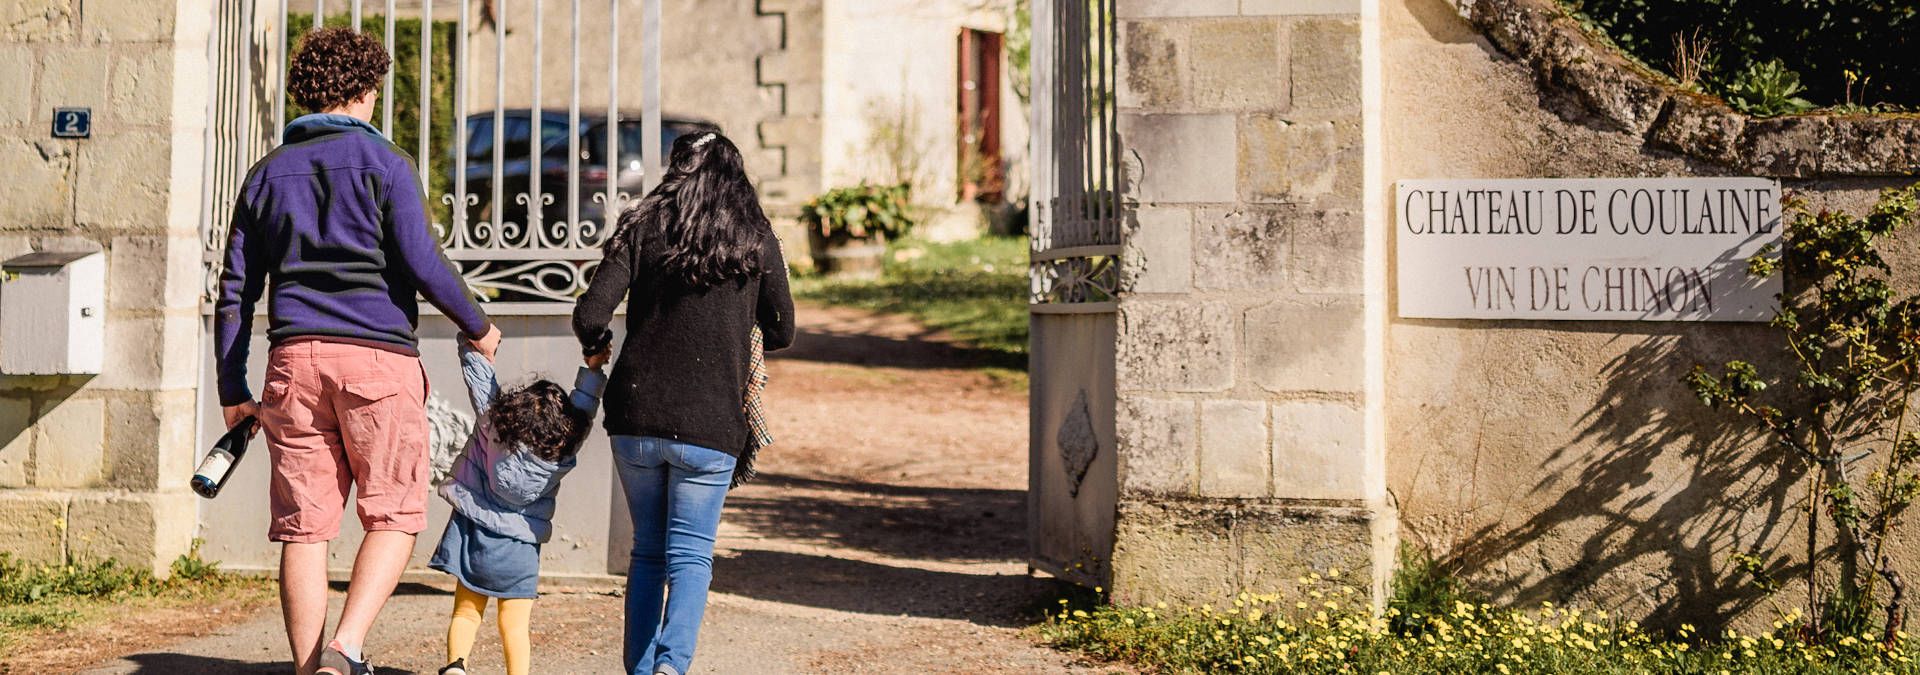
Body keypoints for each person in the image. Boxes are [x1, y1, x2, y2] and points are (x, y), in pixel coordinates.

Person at [212, 27, 501, 675]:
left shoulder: (264, 175)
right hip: (377, 359)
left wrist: (233, 385)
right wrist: (477, 324)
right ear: (367, 92)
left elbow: (234, 289)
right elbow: (422, 259)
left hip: (294, 364)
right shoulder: (389, 165)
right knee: (395, 510)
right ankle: (347, 645)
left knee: (304, 526)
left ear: (306, 93)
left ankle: (311, 668)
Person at [572, 131, 796, 675]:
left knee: (648, 551)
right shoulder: (754, 236)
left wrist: (598, 347)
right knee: (691, 554)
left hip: (635, 417)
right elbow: (784, 328)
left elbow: (590, 315)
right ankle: (672, 668)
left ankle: (642, 670)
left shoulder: (642, 225)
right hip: (710, 423)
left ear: (675, 171)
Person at [432, 341, 607, 675]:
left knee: (466, 613)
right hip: (521, 549)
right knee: (514, 626)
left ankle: (456, 667)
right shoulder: (563, 448)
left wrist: (472, 339)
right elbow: (584, 409)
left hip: (474, 536)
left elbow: (480, 382)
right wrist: (594, 369)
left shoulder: (495, 423)